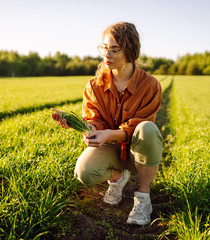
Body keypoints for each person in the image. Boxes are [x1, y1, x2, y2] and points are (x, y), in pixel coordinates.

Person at [51, 22, 163, 225]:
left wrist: (109, 135)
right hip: (112, 149)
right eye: (104, 47)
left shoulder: (150, 85)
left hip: (139, 151)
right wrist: (80, 126)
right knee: (84, 172)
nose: (107, 55)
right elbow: (95, 121)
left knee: (147, 129)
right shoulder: (94, 85)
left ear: (130, 51)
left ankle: (143, 198)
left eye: (114, 49)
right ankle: (118, 178)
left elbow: (139, 124)